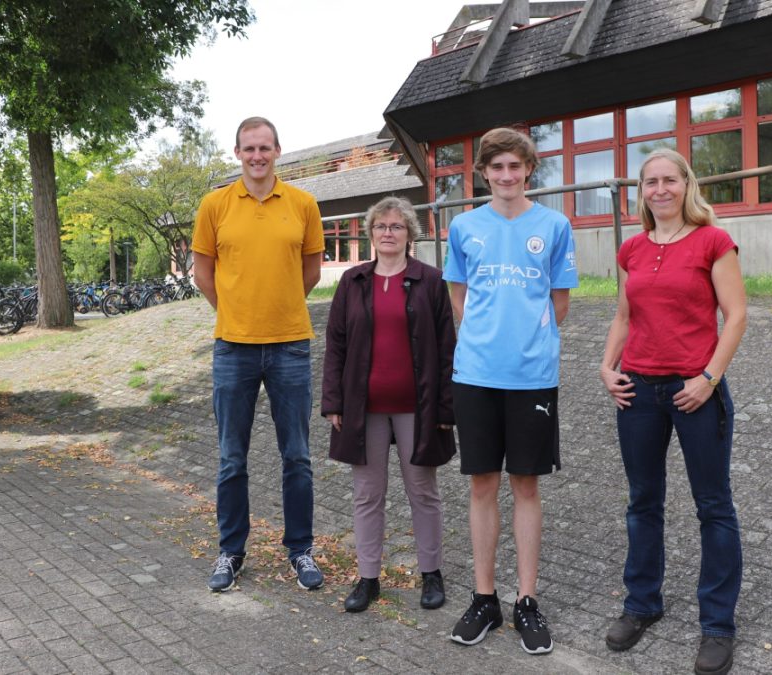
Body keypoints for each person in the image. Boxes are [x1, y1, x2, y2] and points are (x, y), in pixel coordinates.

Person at [599, 148, 747, 675]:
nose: (659, 189)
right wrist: (605, 365)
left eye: (669, 180)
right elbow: (623, 314)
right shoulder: (632, 249)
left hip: (694, 391)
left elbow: (736, 316)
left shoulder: (713, 241)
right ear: (641, 191)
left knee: (713, 505)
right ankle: (642, 604)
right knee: (642, 502)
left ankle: (718, 624)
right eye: (650, 182)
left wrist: (708, 379)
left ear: (687, 184)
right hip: (638, 391)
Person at [443, 127, 578, 655]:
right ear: (483, 173)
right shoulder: (463, 226)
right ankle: (484, 599)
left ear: (528, 169)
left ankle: (526, 601)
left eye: (514, 167)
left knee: (526, 486)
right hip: (475, 375)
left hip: (532, 377)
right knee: (481, 485)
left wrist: (525, 338)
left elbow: (559, 303)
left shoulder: (555, 225)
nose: (506, 176)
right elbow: (459, 296)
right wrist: (487, 338)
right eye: (496, 167)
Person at [191, 116, 326, 593]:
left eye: (264, 148)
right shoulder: (215, 205)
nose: (257, 156)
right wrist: (235, 312)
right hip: (233, 347)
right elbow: (202, 272)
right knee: (232, 458)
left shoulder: (304, 204)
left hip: (290, 344)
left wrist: (282, 306)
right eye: (249, 148)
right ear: (237, 152)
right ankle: (231, 552)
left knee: (298, 457)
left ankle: (301, 550)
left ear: (277, 150)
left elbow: (311, 270)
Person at [320, 196, 457, 613]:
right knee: (367, 494)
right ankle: (368, 579)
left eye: (397, 226)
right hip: (364, 408)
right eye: (381, 226)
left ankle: (431, 574)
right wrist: (333, 401)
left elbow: (448, 347)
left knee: (423, 491)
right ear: (371, 233)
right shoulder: (353, 281)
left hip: (419, 406)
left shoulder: (431, 280)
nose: (388, 233)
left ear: (409, 233)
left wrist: (447, 410)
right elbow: (336, 343)